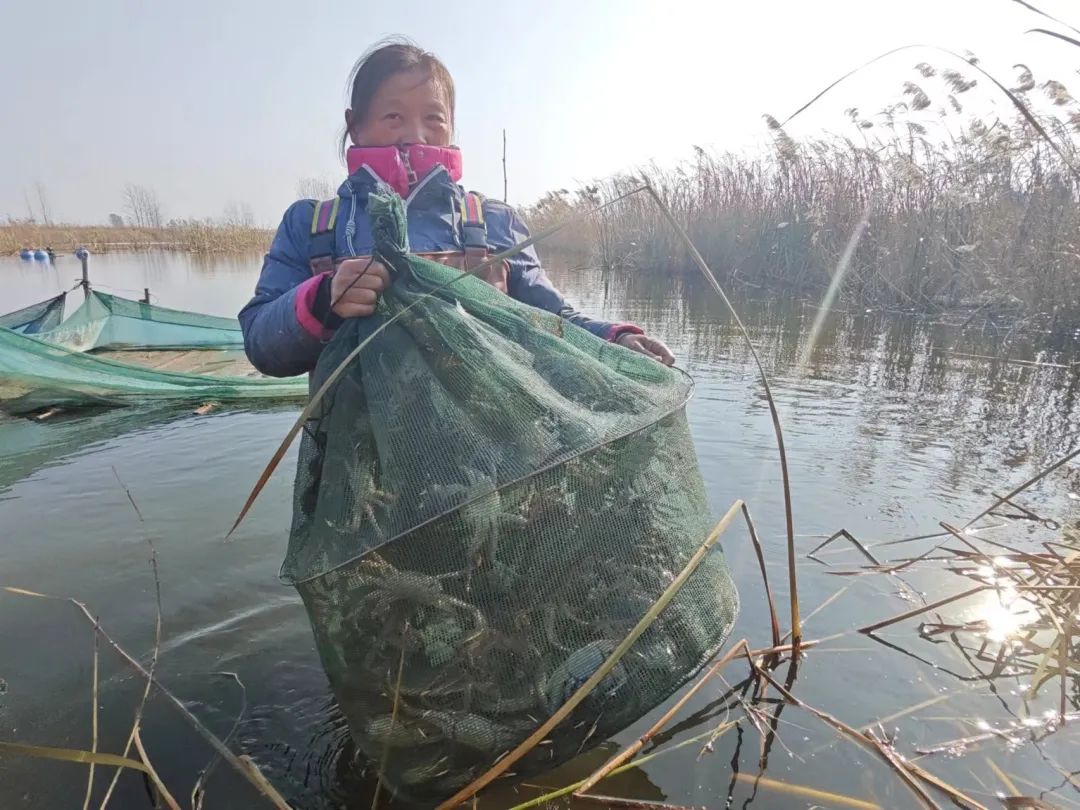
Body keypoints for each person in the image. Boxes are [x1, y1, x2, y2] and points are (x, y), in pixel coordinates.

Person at [239, 39, 674, 378]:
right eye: (393, 117)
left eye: (434, 119)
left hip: (484, 461)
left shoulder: (493, 222)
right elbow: (261, 343)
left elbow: (552, 319)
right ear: (355, 124)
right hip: (357, 476)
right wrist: (322, 298)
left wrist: (612, 338)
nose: (416, 136)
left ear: (451, 126)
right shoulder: (312, 225)